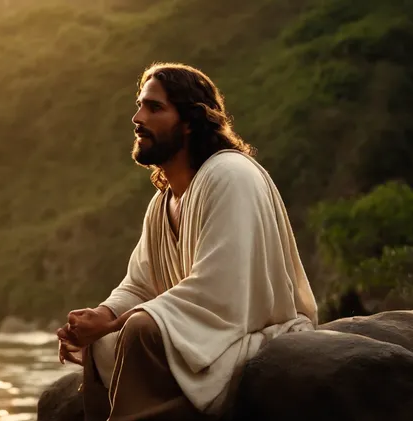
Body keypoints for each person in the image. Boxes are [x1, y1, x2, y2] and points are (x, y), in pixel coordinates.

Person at [56, 62, 318, 421]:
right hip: (198, 330)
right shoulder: (163, 202)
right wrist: (100, 317)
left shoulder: (230, 175)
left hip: (247, 331)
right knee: (103, 341)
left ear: (191, 121)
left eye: (154, 107)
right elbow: (140, 284)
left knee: (142, 328)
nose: (137, 117)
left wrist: (117, 323)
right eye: (139, 105)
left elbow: (221, 287)